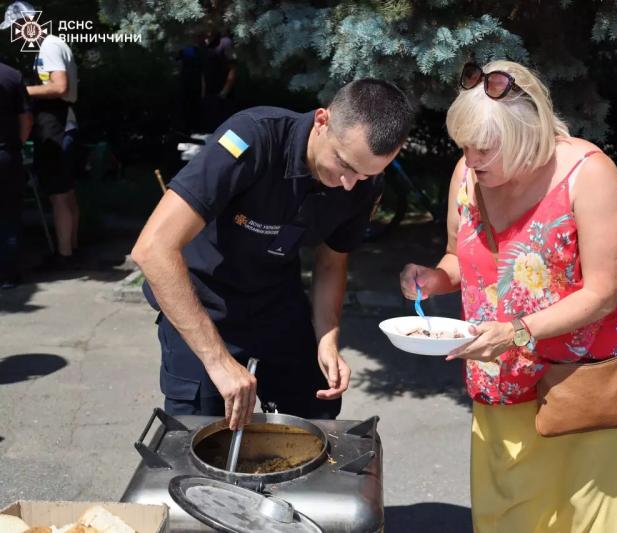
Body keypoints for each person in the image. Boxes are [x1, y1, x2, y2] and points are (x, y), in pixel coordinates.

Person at [399, 60, 617, 532]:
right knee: (506, 512)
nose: (471, 160)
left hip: (585, 374)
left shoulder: (589, 174)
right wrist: (433, 278)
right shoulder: (467, 174)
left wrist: (517, 331)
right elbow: (459, 258)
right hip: (501, 371)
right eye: (465, 147)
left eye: (484, 149)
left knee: (584, 516)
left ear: (527, 132)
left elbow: (601, 292)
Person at [132, 79, 414, 430]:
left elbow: (332, 261)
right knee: (198, 437)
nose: (348, 183)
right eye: (343, 163)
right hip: (203, 306)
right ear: (322, 121)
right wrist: (218, 362)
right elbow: (153, 249)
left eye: (365, 173)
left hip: (276, 306)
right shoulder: (251, 138)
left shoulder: (363, 182)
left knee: (315, 422)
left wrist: (328, 338)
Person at [1, 1, 82, 269]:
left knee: (58, 195)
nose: (15, 32)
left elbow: (59, 86)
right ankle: (71, 247)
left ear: (27, 22)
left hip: (55, 127)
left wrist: (21, 93)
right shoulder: (53, 44)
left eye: (16, 27)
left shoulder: (48, 46)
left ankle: (64, 255)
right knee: (67, 193)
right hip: (62, 124)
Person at [0, 60, 33, 289]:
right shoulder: (11, 75)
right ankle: (8, 276)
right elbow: (26, 119)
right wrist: (16, 144)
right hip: (6, 154)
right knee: (9, 215)